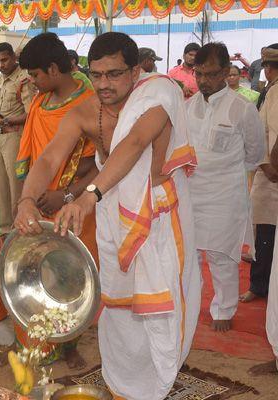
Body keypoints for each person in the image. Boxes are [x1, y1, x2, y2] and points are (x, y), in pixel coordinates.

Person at [15, 32, 201, 399]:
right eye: (96, 74)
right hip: (115, 214)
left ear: (135, 72)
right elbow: (51, 158)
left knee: (162, 307)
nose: (103, 84)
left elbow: (133, 145)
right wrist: (25, 200)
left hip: (160, 215)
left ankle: (158, 384)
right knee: (118, 304)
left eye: (114, 74)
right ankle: (124, 386)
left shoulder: (157, 96)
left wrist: (87, 197)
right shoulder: (84, 112)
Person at [14, 33, 98, 369]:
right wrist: (29, 198)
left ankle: (70, 342)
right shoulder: (40, 101)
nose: (32, 83)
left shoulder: (90, 103)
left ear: (53, 68)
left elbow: (96, 168)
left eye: (35, 75)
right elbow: (41, 158)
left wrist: (64, 195)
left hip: (74, 203)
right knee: (36, 269)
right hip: (38, 199)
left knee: (73, 273)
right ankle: (41, 339)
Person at [186, 43, 264, 332]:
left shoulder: (242, 108)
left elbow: (255, 154)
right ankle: (190, 305)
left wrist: (225, 173)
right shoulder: (187, 107)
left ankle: (224, 309)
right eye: (199, 74)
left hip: (226, 196)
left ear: (226, 72)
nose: (204, 80)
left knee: (222, 256)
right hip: (192, 194)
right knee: (190, 256)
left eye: (211, 74)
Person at [242, 43, 278, 304]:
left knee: (266, 232)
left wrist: (267, 166)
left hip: (271, 173)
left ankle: (259, 285)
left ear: (268, 68)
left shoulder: (276, 91)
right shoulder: (271, 90)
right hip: (268, 170)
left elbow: (274, 135)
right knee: (265, 230)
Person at [0, 42, 34, 235]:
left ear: (14, 58)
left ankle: (18, 230)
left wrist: (6, 119)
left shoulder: (24, 79)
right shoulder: (0, 78)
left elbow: (31, 113)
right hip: (1, 134)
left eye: (4, 60)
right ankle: (5, 230)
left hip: (16, 135)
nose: (1, 65)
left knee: (16, 186)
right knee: (2, 185)